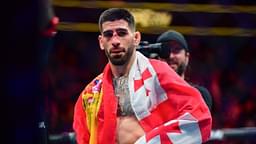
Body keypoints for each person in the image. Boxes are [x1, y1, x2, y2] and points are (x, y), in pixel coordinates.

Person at [73, 8, 212, 144]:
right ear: (101, 42)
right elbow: (84, 137)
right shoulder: (90, 94)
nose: (115, 40)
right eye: (109, 35)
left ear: (136, 38)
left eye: (122, 33)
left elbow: (199, 116)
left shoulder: (158, 73)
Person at [156, 30, 213, 110]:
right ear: (157, 58)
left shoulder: (200, 95)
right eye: (165, 51)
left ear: (187, 57)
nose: (171, 56)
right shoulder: (147, 94)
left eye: (176, 50)